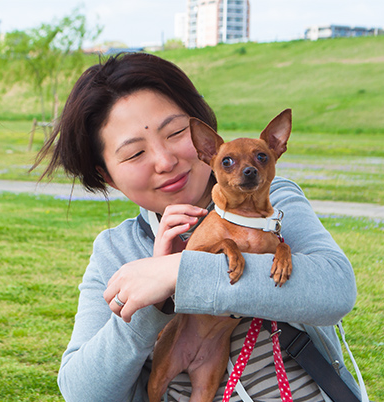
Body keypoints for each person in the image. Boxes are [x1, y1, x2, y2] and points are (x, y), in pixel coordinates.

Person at [36, 53, 361, 401]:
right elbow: (82, 393)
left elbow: (336, 289)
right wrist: (153, 307)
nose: (166, 161)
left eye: (176, 133)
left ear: (205, 137)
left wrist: (182, 271)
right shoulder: (117, 251)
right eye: (134, 154)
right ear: (108, 177)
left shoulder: (272, 201)